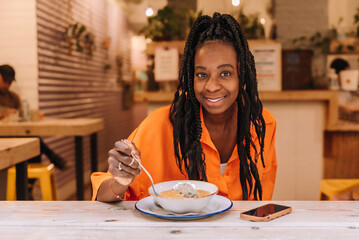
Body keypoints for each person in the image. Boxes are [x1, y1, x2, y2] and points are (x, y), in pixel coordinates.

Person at [91, 12, 277, 202]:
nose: (212, 86)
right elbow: (103, 196)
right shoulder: (159, 125)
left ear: (242, 75)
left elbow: (260, 203)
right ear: (190, 78)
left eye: (225, 73)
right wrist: (120, 181)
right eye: (202, 75)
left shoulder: (261, 124)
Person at [0, 64, 69, 170]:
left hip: (15, 133)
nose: (8, 84)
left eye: (10, 82)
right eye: (6, 81)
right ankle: (53, 157)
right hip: (3, 137)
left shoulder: (13, 97)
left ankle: (28, 184)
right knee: (35, 142)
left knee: (35, 146)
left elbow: (21, 114)